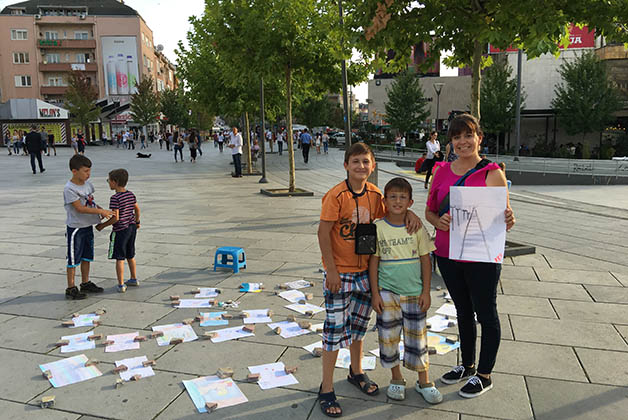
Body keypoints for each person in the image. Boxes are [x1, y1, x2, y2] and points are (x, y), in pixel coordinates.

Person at [317, 142, 422, 417]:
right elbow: (323, 233)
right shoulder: (335, 195)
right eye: (356, 162)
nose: (361, 166)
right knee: (334, 331)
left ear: (372, 166)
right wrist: (331, 270)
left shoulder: (376, 195)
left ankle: (356, 371)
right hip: (340, 273)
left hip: (365, 275)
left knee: (359, 327)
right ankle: (326, 387)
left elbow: (392, 215)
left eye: (366, 161)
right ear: (346, 166)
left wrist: (409, 212)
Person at [425, 114, 515, 399]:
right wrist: (436, 221)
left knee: (486, 313)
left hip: (482, 254)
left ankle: (484, 374)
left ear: (479, 137)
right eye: (456, 137)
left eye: (468, 135)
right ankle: (466, 365)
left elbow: (504, 216)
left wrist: (509, 218)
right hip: (448, 253)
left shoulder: (491, 172)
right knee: (462, 310)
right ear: (450, 141)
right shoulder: (440, 170)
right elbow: (430, 210)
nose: (462, 142)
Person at [369, 177, 442, 404]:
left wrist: (426, 291)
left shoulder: (417, 228)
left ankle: (424, 381)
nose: (397, 201)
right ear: (384, 200)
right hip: (387, 292)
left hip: (414, 292)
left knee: (417, 339)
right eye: (393, 197)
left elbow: (426, 260)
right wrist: (375, 294)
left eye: (402, 198)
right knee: (388, 338)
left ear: (410, 202)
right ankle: (396, 379)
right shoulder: (377, 227)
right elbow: (373, 262)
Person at [63, 155, 114, 299]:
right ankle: (71, 287)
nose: (88, 174)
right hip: (76, 228)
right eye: (85, 171)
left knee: (87, 256)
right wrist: (100, 211)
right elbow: (80, 208)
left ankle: (85, 282)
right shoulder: (69, 189)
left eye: (89, 171)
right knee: (73, 258)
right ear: (74, 171)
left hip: (87, 226)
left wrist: (102, 210)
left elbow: (90, 203)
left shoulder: (88, 184)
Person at [96, 169, 140, 293]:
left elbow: (116, 218)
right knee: (130, 255)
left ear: (115, 182)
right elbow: (137, 209)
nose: (108, 183)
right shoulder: (131, 194)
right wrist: (137, 222)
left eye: (108, 181)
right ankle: (133, 278)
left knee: (119, 257)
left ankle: (121, 284)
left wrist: (102, 226)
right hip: (131, 228)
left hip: (120, 230)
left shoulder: (115, 198)